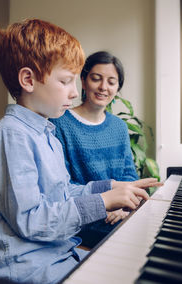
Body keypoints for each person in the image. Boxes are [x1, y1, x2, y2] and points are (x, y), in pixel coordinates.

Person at [0, 19, 162, 284]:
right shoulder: (12, 134)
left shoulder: (45, 132)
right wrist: (104, 202)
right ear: (28, 79)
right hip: (31, 266)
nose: (75, 92)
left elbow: (63, 192)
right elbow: (31, 220)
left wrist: (111, 187)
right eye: (66, 81)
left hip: (59, 252)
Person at [49, 51, 140, 247]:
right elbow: (62, 186)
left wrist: (123, 208)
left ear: (118, 87)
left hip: (118, 215)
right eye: (96, 78)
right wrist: (104, 205)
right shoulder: (60, 123)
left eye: (111, 82)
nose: (103, 87)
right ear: (83, 80)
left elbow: (129, 175)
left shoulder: (119, 127)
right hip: (83, 220)